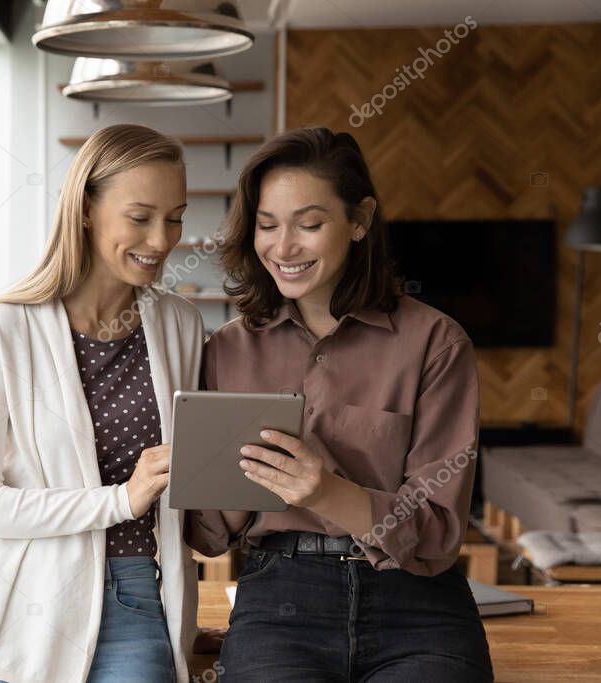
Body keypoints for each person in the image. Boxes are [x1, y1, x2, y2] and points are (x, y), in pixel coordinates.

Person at [185, 127, 494, 682]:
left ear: (359, 220)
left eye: (309, 224)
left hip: (418, 603)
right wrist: (226, 486)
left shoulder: (436, 343)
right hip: (281, 594)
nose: (283, 247)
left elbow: (441, 532)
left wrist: (325, 490)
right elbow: (208, 535)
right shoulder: (227, 350)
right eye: (266, 225)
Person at [0, 124, 204, 682]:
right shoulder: (1, 330)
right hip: (10, 611)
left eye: (175, 217)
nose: (162, 240)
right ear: (86, 209)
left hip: (133, 597)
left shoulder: (180, 325)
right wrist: (118, 501)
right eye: (140, 217)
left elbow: (186, 488)